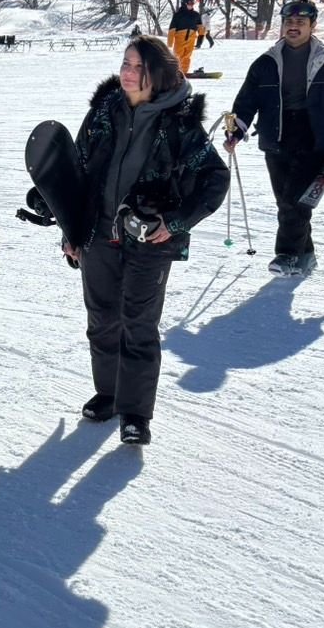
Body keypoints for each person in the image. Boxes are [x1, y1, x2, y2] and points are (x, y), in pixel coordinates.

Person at [65, 35, 228, 447]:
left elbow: (214, 178)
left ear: (158, 74)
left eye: (138, 67)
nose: (128, 72)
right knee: (102, 319)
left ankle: (135, 414)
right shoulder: (104, 112)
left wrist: (176, 222)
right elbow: (79, 170)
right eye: (125, 63)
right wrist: (71, 229)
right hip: (99, 233)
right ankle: (109, 393)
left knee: (138, 324)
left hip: (150, 240)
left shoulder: (179, 123)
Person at [225, 0, 324, 277]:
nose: (293, 27)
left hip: (314, 136)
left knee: (296, 200)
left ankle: (287, 255)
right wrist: (236, 131)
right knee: (286, 200)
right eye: (289, 22)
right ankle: (306, 254)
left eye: (300, 22)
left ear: (313, 26)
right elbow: (246, 102)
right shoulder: (266, 62)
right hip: (276, 134)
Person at [166, 0, 203, 74]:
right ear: (184, 4)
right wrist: (170, 43)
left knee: (187, 57)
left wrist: (200, 41)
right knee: (177, 56)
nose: (191, 5)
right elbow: (172, 29)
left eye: (192, 3)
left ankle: (184, 72)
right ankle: (175, 71)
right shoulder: (178, 15)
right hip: (180, 39)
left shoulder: (196, 15)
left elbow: (201, 28)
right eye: (189, 3)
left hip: (191, 38)